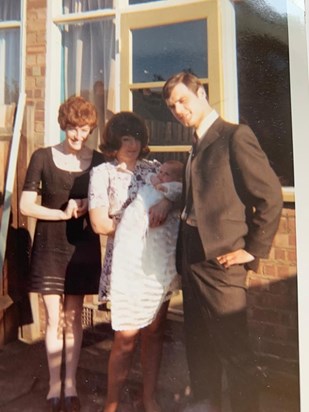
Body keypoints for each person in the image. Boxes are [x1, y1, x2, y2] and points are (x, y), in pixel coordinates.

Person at [162, 72, 283, 412]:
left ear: (201, 93)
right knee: (198, 342)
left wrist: (253, 250)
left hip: (222, 263)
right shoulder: (196, 143)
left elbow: (271, 196)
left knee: (234, 348)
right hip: (191, 255)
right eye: (173, 107)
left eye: (183, 101)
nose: (179, 110)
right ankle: (207, 404)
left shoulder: (234, 136)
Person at [88, 112, 180, 412]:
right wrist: (137, 224)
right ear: (114, 142)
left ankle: (149, 398)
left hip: (155, 262)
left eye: (137, 137)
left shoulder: (155, 169)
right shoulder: (103, 173)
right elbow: (100, 223)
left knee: (154, 331)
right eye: (125, 138)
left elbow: (179, 193)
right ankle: (112, 404)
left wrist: (167, 202)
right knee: (125, 337)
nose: (132, 144)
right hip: (125, 266)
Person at [19, 96, 104, 412]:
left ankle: (70, 385)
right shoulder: (42, 157)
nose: (79, 137)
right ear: (63, 125)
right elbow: (27, 205)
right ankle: (54, 385)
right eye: (74, 130)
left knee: (72, 318)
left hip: (81, 248)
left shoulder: (97, 161)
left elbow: (106, 201)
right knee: (54, 319)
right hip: (49, 246)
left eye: (85, 131)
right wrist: (62, 213)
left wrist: (84, 207)